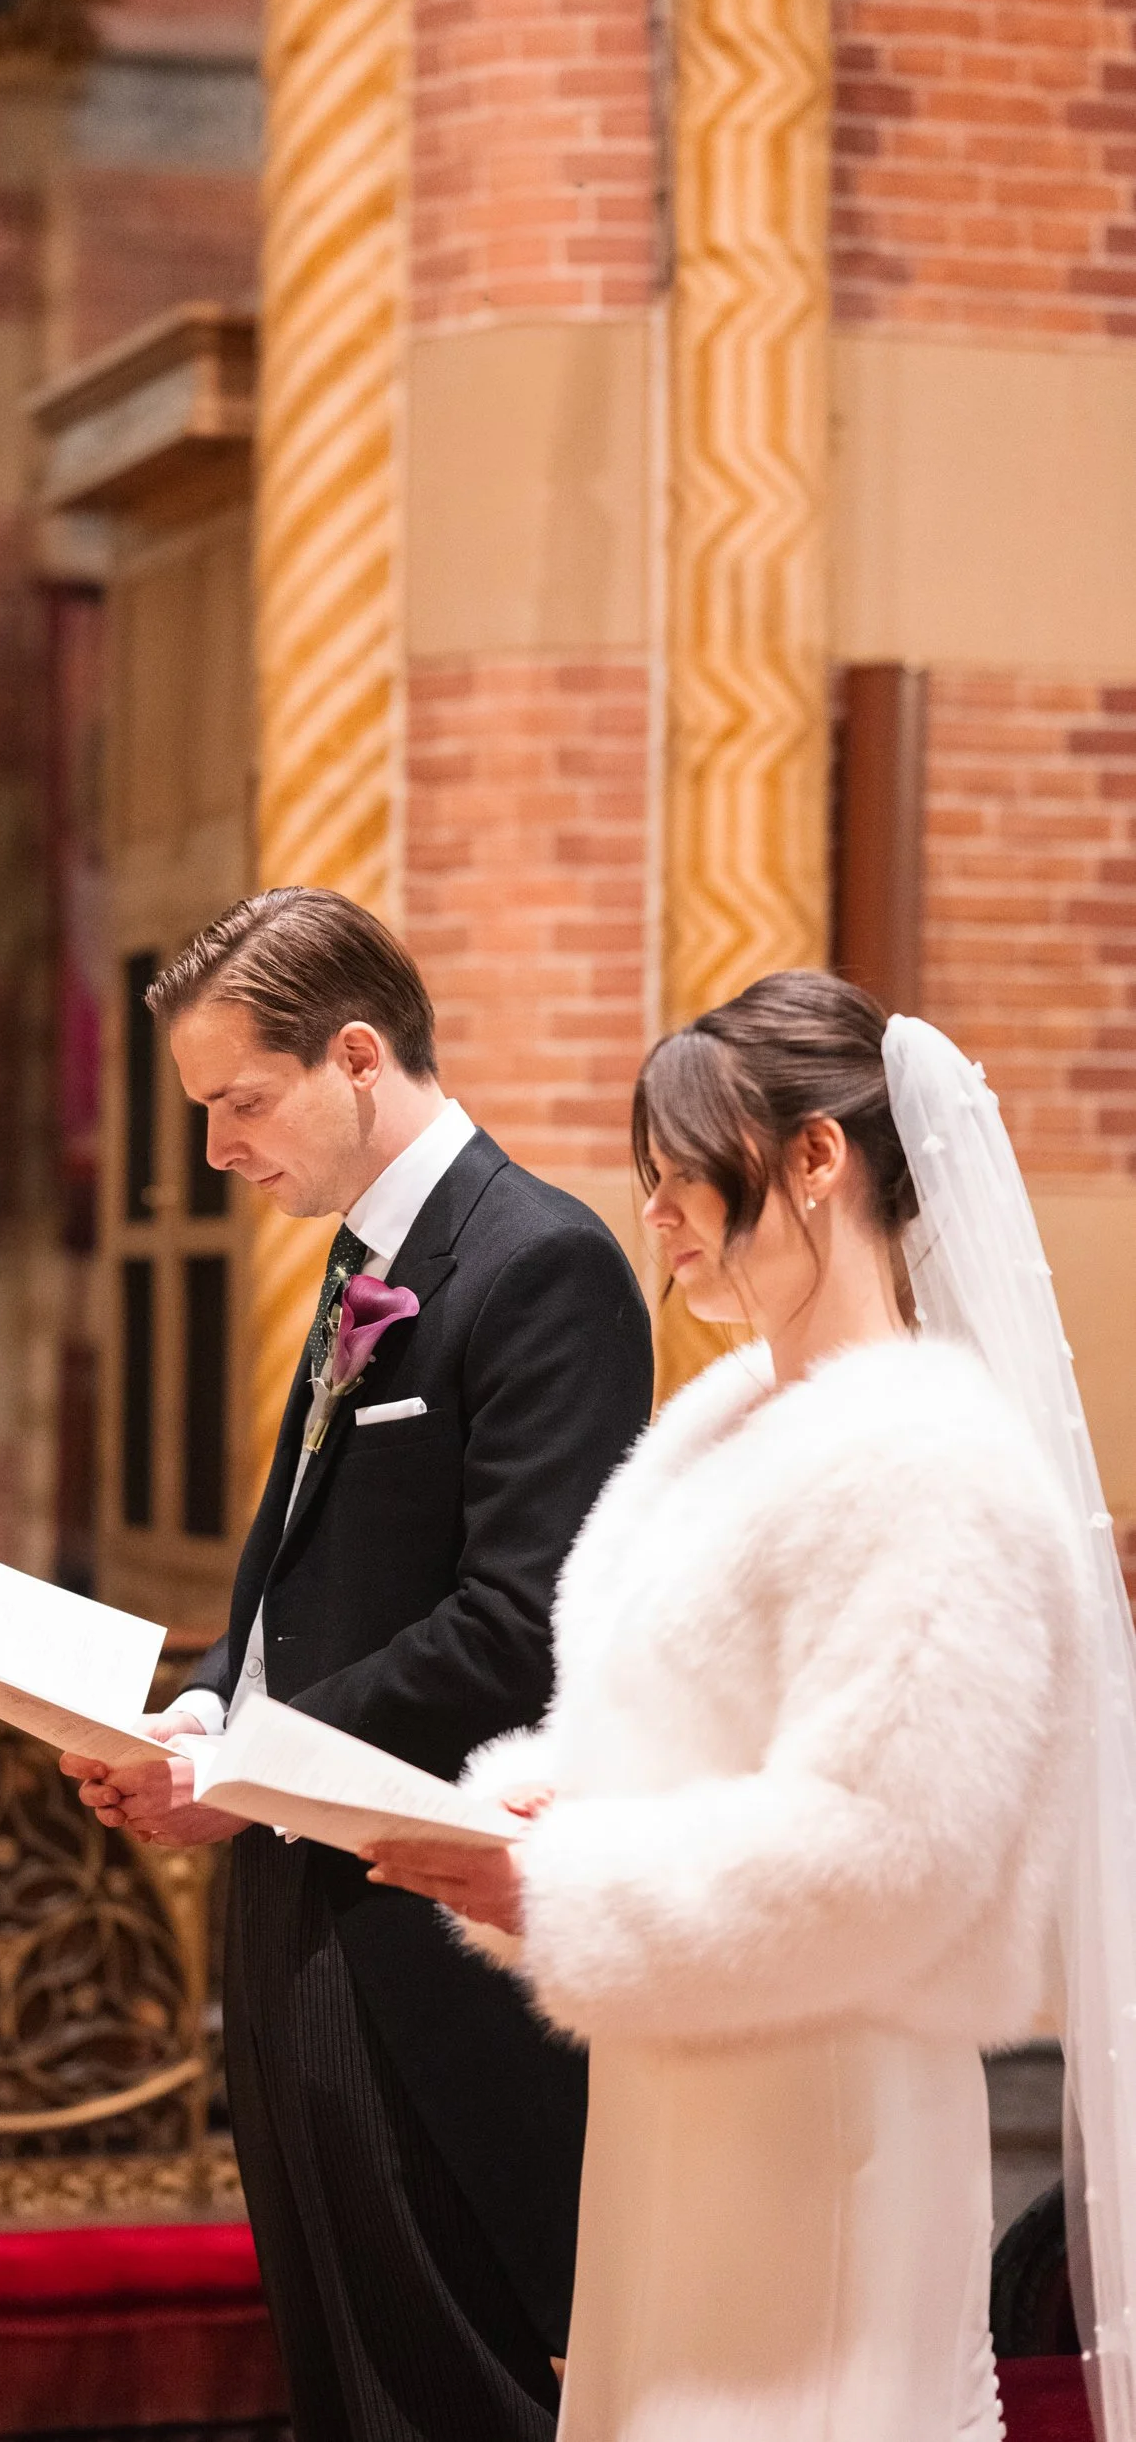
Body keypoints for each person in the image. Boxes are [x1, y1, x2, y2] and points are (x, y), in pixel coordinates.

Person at [367, 970, 1096, 2442]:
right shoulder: (717, 1427)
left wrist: (562, 1881)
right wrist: (542, 1800)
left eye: (682, 1172)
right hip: (680, 2077)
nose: (654, 1213)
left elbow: (892, 1849)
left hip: (821, 2102)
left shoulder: (921, 1456)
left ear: (815, 1158)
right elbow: (672, 1723)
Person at [62, 888, 654, 2442]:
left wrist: (241, 1767)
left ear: (355, 1057)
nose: (216, 1150)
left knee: (438, 2367)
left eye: (239, 1104)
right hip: (297, 1877)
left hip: (422, 1910)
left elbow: (517, 1618)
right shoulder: (356, 1263)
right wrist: (199, 1703)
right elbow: (292, 1569)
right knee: (334, 2353)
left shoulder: (537, 1262)